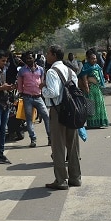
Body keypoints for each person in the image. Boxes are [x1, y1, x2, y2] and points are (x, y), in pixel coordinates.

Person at [41, 44, 81, 189]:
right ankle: (75, 177)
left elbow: (53, 92)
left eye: (48, 53)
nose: (46, 55)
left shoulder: (52, 72)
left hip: (58, 111)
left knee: (58, 146)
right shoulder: (71, 71)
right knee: (73, 146)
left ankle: (61, 180)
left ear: (53, 55)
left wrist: (43, 88)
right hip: (73, 110)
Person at [16, 51, 50, 147]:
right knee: (29, 119)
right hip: (27, 98)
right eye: (27, 58)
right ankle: (33, 139)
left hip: (38, 97)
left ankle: (50, 138)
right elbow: (19, 84)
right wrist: (21, 93)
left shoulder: (41, 70)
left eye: (30, 58)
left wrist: (43, 93)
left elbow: (42, 82)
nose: (29, 60)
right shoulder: (22, 71)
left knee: (46, 117)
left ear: (34, 58)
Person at [79, 49, 109, 128]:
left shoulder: (97, 66)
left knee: (99, 105)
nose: (94, 60)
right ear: (88, 59)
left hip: (97, 89)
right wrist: (86, 88)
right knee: (91, 106)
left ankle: (100, 122)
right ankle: (92, 123)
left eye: (95, 58)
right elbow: (84, 77)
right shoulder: (86, 67)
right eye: (92, 58)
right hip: (91, 89)